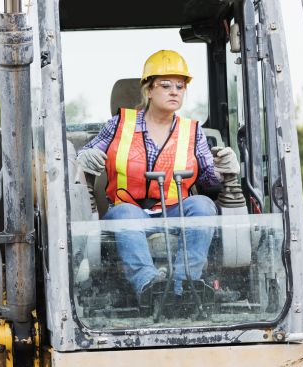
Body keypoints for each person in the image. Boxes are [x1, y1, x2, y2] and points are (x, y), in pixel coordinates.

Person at [76, 50, 239, 299]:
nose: (174, 91)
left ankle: (184, 286)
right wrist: (83, 159)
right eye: (165, 85)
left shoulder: (193, 132)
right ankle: (150, 286)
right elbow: (85, 159)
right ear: (148, 90)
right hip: (129, 210)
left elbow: (208, 180)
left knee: (203, 205)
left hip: (176, 210)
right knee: (125, 213)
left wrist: (222, 169)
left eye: (180, 86)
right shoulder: (118, 125)